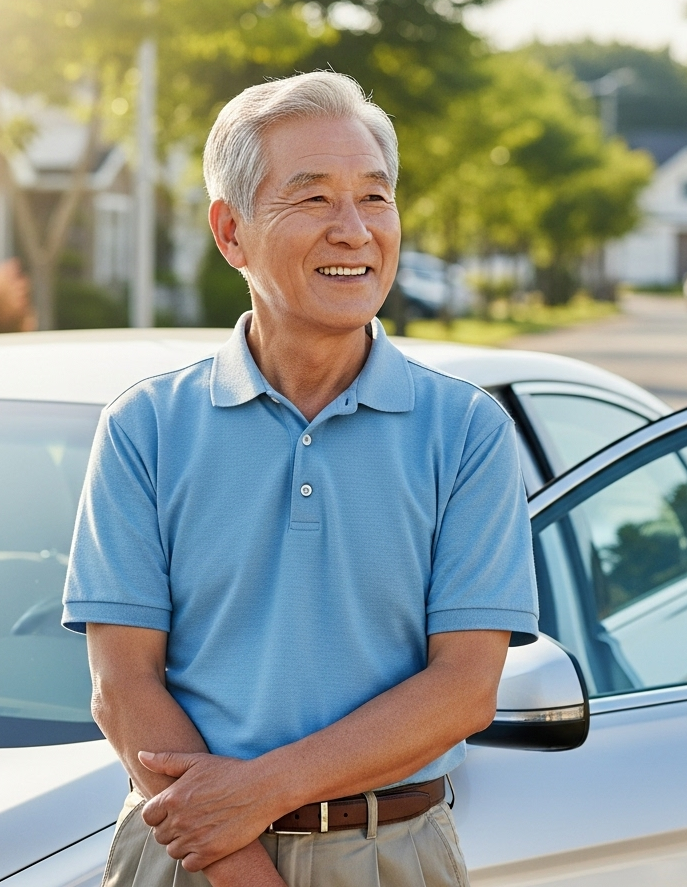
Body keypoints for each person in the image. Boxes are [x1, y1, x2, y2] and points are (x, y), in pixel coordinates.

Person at [63, 71, 538, 887]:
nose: (354, 231)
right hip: (191, 859)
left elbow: (464, 689)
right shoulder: (145, 427)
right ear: (231, 231)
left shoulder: (466, 432)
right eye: (312, 199)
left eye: (375, 198)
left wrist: (257, 793)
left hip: (394, 855)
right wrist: (242, 863)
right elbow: (122, 686)